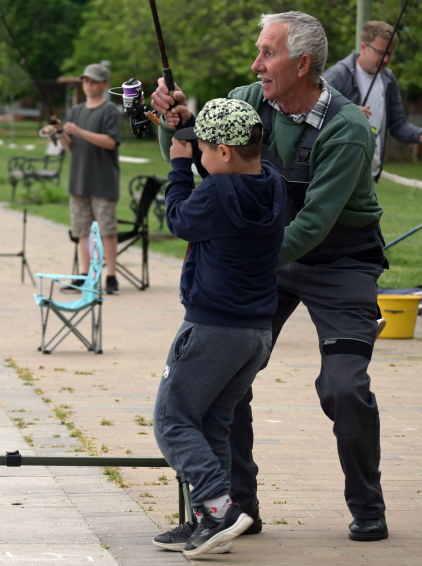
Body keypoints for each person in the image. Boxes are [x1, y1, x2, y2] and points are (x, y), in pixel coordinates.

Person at [151, 11, 390, 543]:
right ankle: (236, 510)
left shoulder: (348, 129)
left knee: (344, 386)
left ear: (302, 64)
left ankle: (368, 506)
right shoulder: (249, 101)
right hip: (266, 255)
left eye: (268, 53)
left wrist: (240, 259)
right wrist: (180, 125)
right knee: (225, 378)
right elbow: (209, 164)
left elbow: (313, 223)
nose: (255, 64)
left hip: (340, 260)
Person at [152, 98, 285, 556]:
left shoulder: (212, 195)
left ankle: (217, 508)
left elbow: (177, 218)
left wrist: (177, 168)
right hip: (255, 334)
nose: (197, 157)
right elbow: (227, 182)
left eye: (203, 149)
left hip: (212, 329)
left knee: (172, 420)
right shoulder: (272, 184)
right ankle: (209, 528)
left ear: (224, 153)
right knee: (212, 423)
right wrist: (191, 129)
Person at [323, 20, 422, 180]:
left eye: (390, 53)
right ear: (363, 48)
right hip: (338, 171)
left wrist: (420, 134)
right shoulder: (338, 75)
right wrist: (346, 113)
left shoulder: (388, 79)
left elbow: (398, 125)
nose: (386, 60)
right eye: (381, 52)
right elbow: (312, 112)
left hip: (369, 173)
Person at [59, 63, 122, 295]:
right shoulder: (75, 112)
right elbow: (71, 148)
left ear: (105, 84)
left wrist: (79, 131)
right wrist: (61, 135)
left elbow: (111, 142)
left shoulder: (110, 111)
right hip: (78, 180)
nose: (89, 85)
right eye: (86, 80)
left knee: (106, 229)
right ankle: (84, 275)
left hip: (103, 181)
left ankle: (111, 276)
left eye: (94, 81)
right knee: (82, 230)